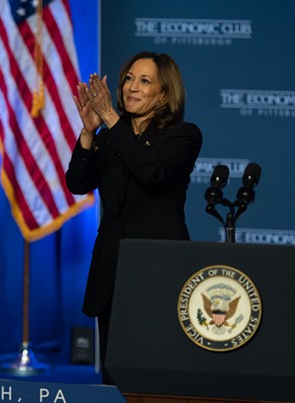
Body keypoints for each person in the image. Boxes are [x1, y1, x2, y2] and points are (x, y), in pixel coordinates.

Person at [65, 51, 203, 384]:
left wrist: (110, 120)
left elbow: (151, 172)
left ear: (165, 93)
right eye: (128, 78)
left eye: (144, 81)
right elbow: (77, 183)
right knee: (114, 380)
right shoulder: (111, 136)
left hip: (159, 271)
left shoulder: (183, 136)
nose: (132, 88)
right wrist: (87, 134)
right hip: (112, 271)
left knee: (157, 379)